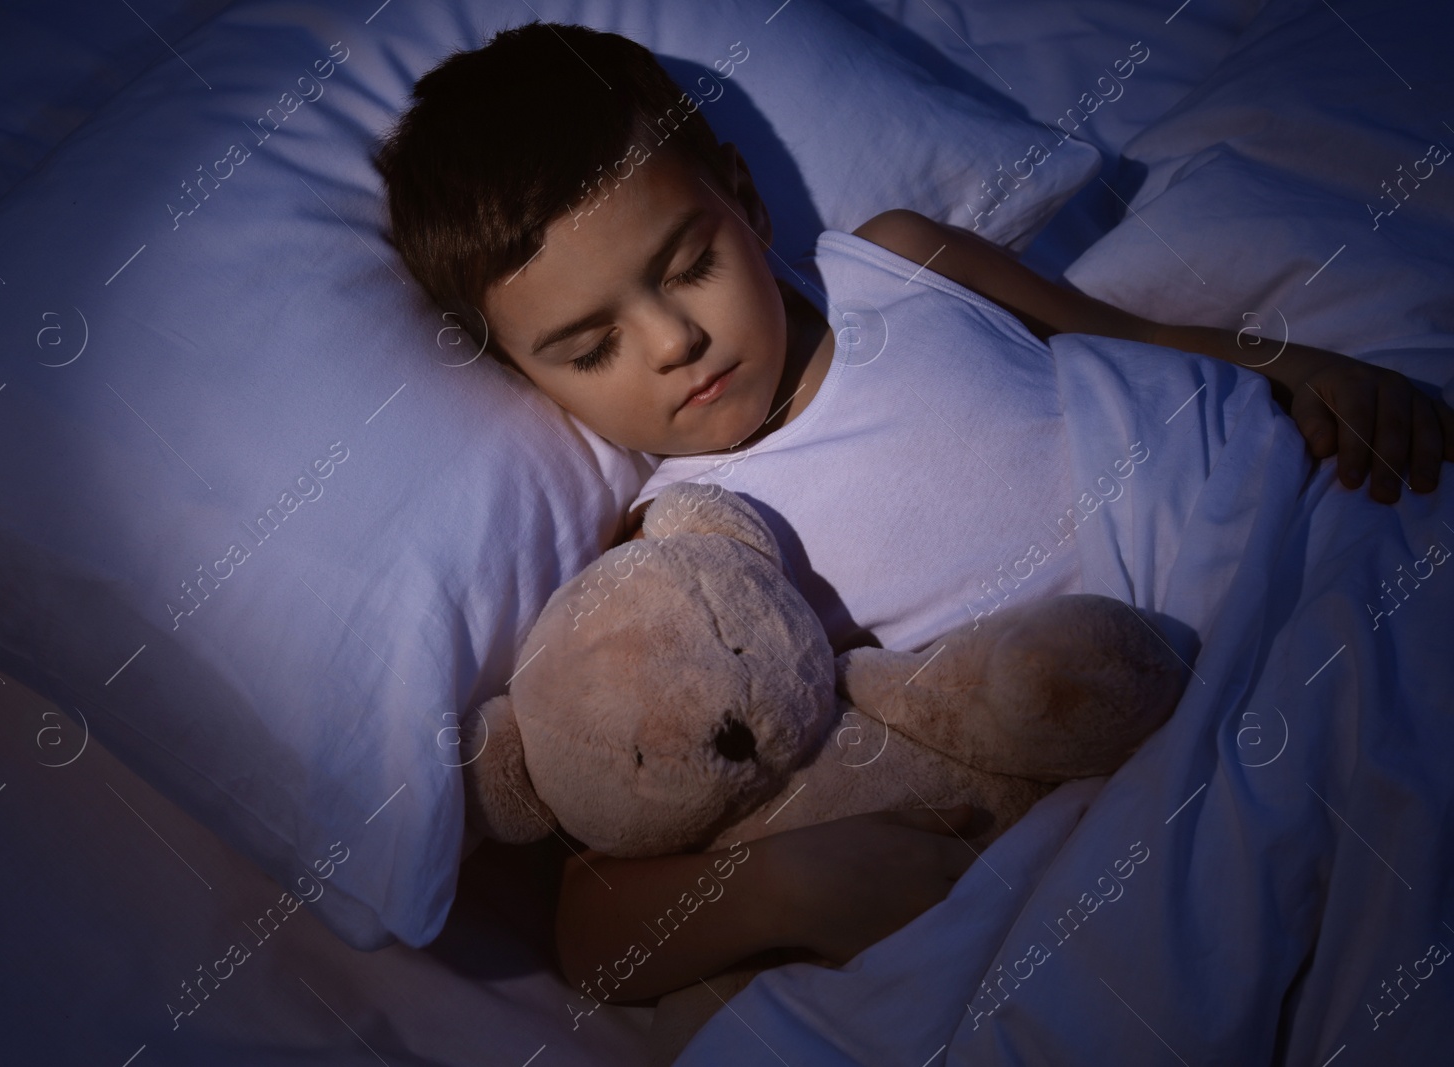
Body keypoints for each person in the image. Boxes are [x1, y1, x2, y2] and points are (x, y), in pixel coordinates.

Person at [373, 21, 1454, 1006]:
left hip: (1271, 512)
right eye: (590, 347)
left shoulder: (894, 262)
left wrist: (1301, 369)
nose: (671, 342)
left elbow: (1117, 334)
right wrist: (779, 886)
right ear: (526, 375)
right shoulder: (686, 548)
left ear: (744, 200)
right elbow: (590, 918)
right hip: (1137, 725)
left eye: (689, 265)